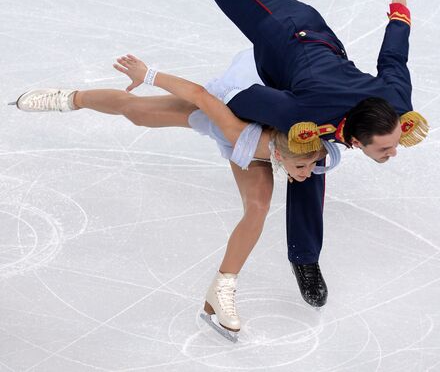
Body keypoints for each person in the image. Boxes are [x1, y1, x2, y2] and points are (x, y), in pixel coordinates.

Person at [195, 0, 429, 308]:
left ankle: (304, 258)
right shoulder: (307, 110)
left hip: (318, 49)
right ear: (359, 139)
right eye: (385, 148)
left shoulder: (395, 107)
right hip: (284, 32)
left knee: (312, 162)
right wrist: (285, 132)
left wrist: (399, 15)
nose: (395, 150)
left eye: (389, 145)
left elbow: (393, 59)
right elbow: (241, 98)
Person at [11, 48, 341, 339]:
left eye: (312, 165)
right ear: (280, 156)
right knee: (136, 112)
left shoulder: (308, 141)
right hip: (227, 111)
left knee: (257, 208)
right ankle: (68, 98)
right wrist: (147, 74)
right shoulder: (236, 129)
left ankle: (222, 288)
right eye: (303, 167)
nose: (308, 173)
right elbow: (199, 95)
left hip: (263, 131)